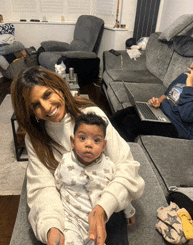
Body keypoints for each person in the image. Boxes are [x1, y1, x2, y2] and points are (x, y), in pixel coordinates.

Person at [11, 66, 145, 245]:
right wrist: (52, 227)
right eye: (36, 105)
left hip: (106, 202)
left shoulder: (92, 116)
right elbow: (43, 188)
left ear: (59, 87)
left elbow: (125, 166)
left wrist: (104, 208)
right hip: (70, 212)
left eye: (47, 95)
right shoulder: (34, 139)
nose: (46, 107)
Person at [54, 112, 136, 245]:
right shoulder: (65, 162)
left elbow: (120, 191)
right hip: (71, 220)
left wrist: (129, 211)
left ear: (104, 146)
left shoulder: (109, 166)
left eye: (96, 140)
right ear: (72, 142)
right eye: (82, 138)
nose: (89, 145)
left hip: (97, 221)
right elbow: (56, 183)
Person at [110, 60, 193, 142]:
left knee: (131, 122)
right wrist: (159, 101)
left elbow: (186, 115)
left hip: (177, 126)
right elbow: (166, 94)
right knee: (123, 113)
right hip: (161, 113)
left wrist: (189, 86)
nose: (192, 65)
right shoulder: (185, 76)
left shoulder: (190, 80)